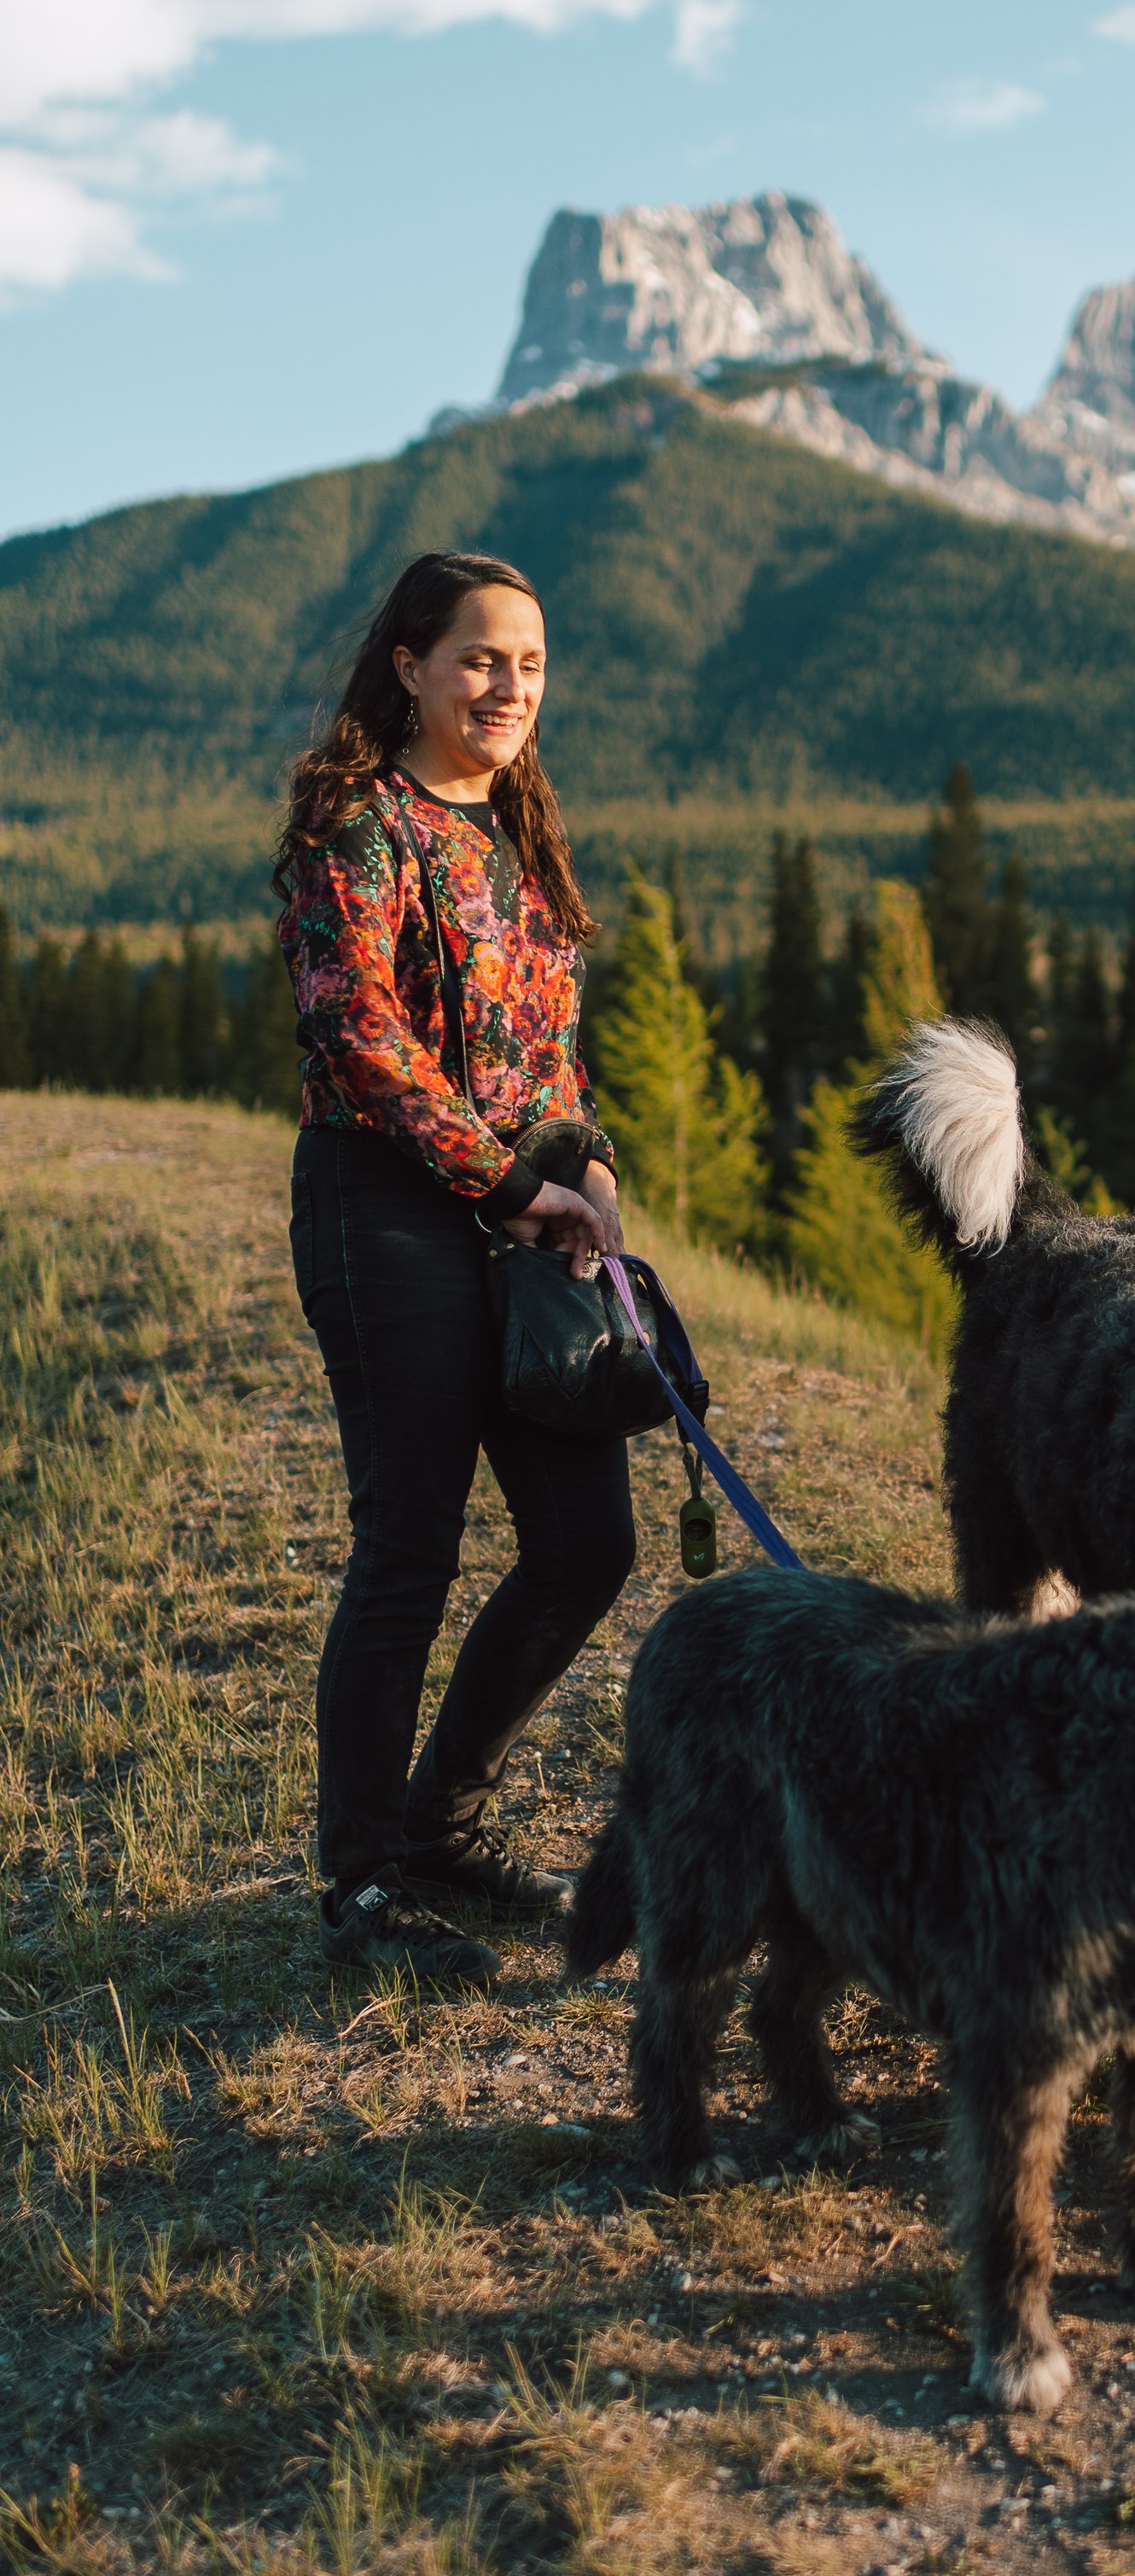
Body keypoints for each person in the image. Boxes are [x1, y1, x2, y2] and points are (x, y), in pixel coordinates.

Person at [276, 551, 635, 1987]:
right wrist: (507, 1181)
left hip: (526, 1216)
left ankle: (440, 1825)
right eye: (482, 658)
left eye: (531, 665)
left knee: (586, 1544)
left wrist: (589, 1165)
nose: (509, 687)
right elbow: (354, 1034)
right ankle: (363, 1883)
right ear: (412, 663)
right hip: (389, 1213)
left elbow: (551, 1044)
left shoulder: (522, 830)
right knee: (409, 1546)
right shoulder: (351, 822)